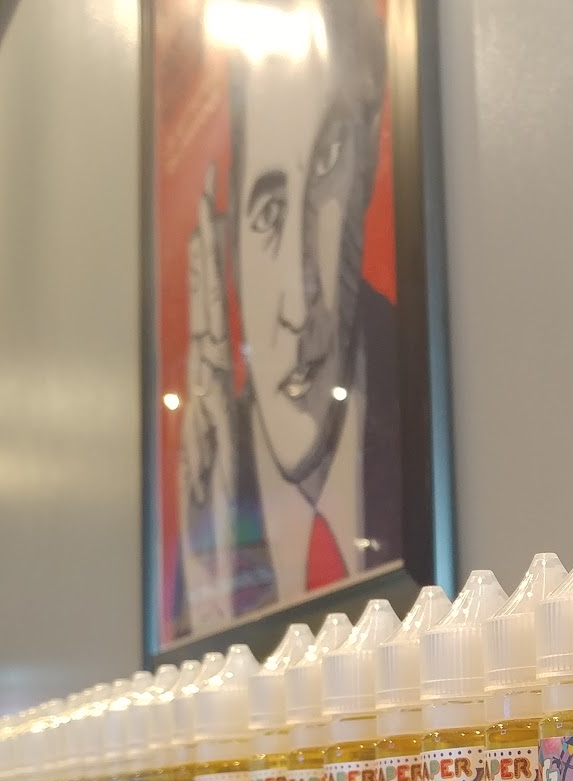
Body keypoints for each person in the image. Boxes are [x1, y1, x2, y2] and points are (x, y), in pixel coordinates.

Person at [174, 0, 407, 637]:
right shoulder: (213, 507)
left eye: (327, 166)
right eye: (269, 213)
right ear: (224, 248)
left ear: (367, 163)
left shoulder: (414, 411)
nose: (301, 309)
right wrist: (210, 607)